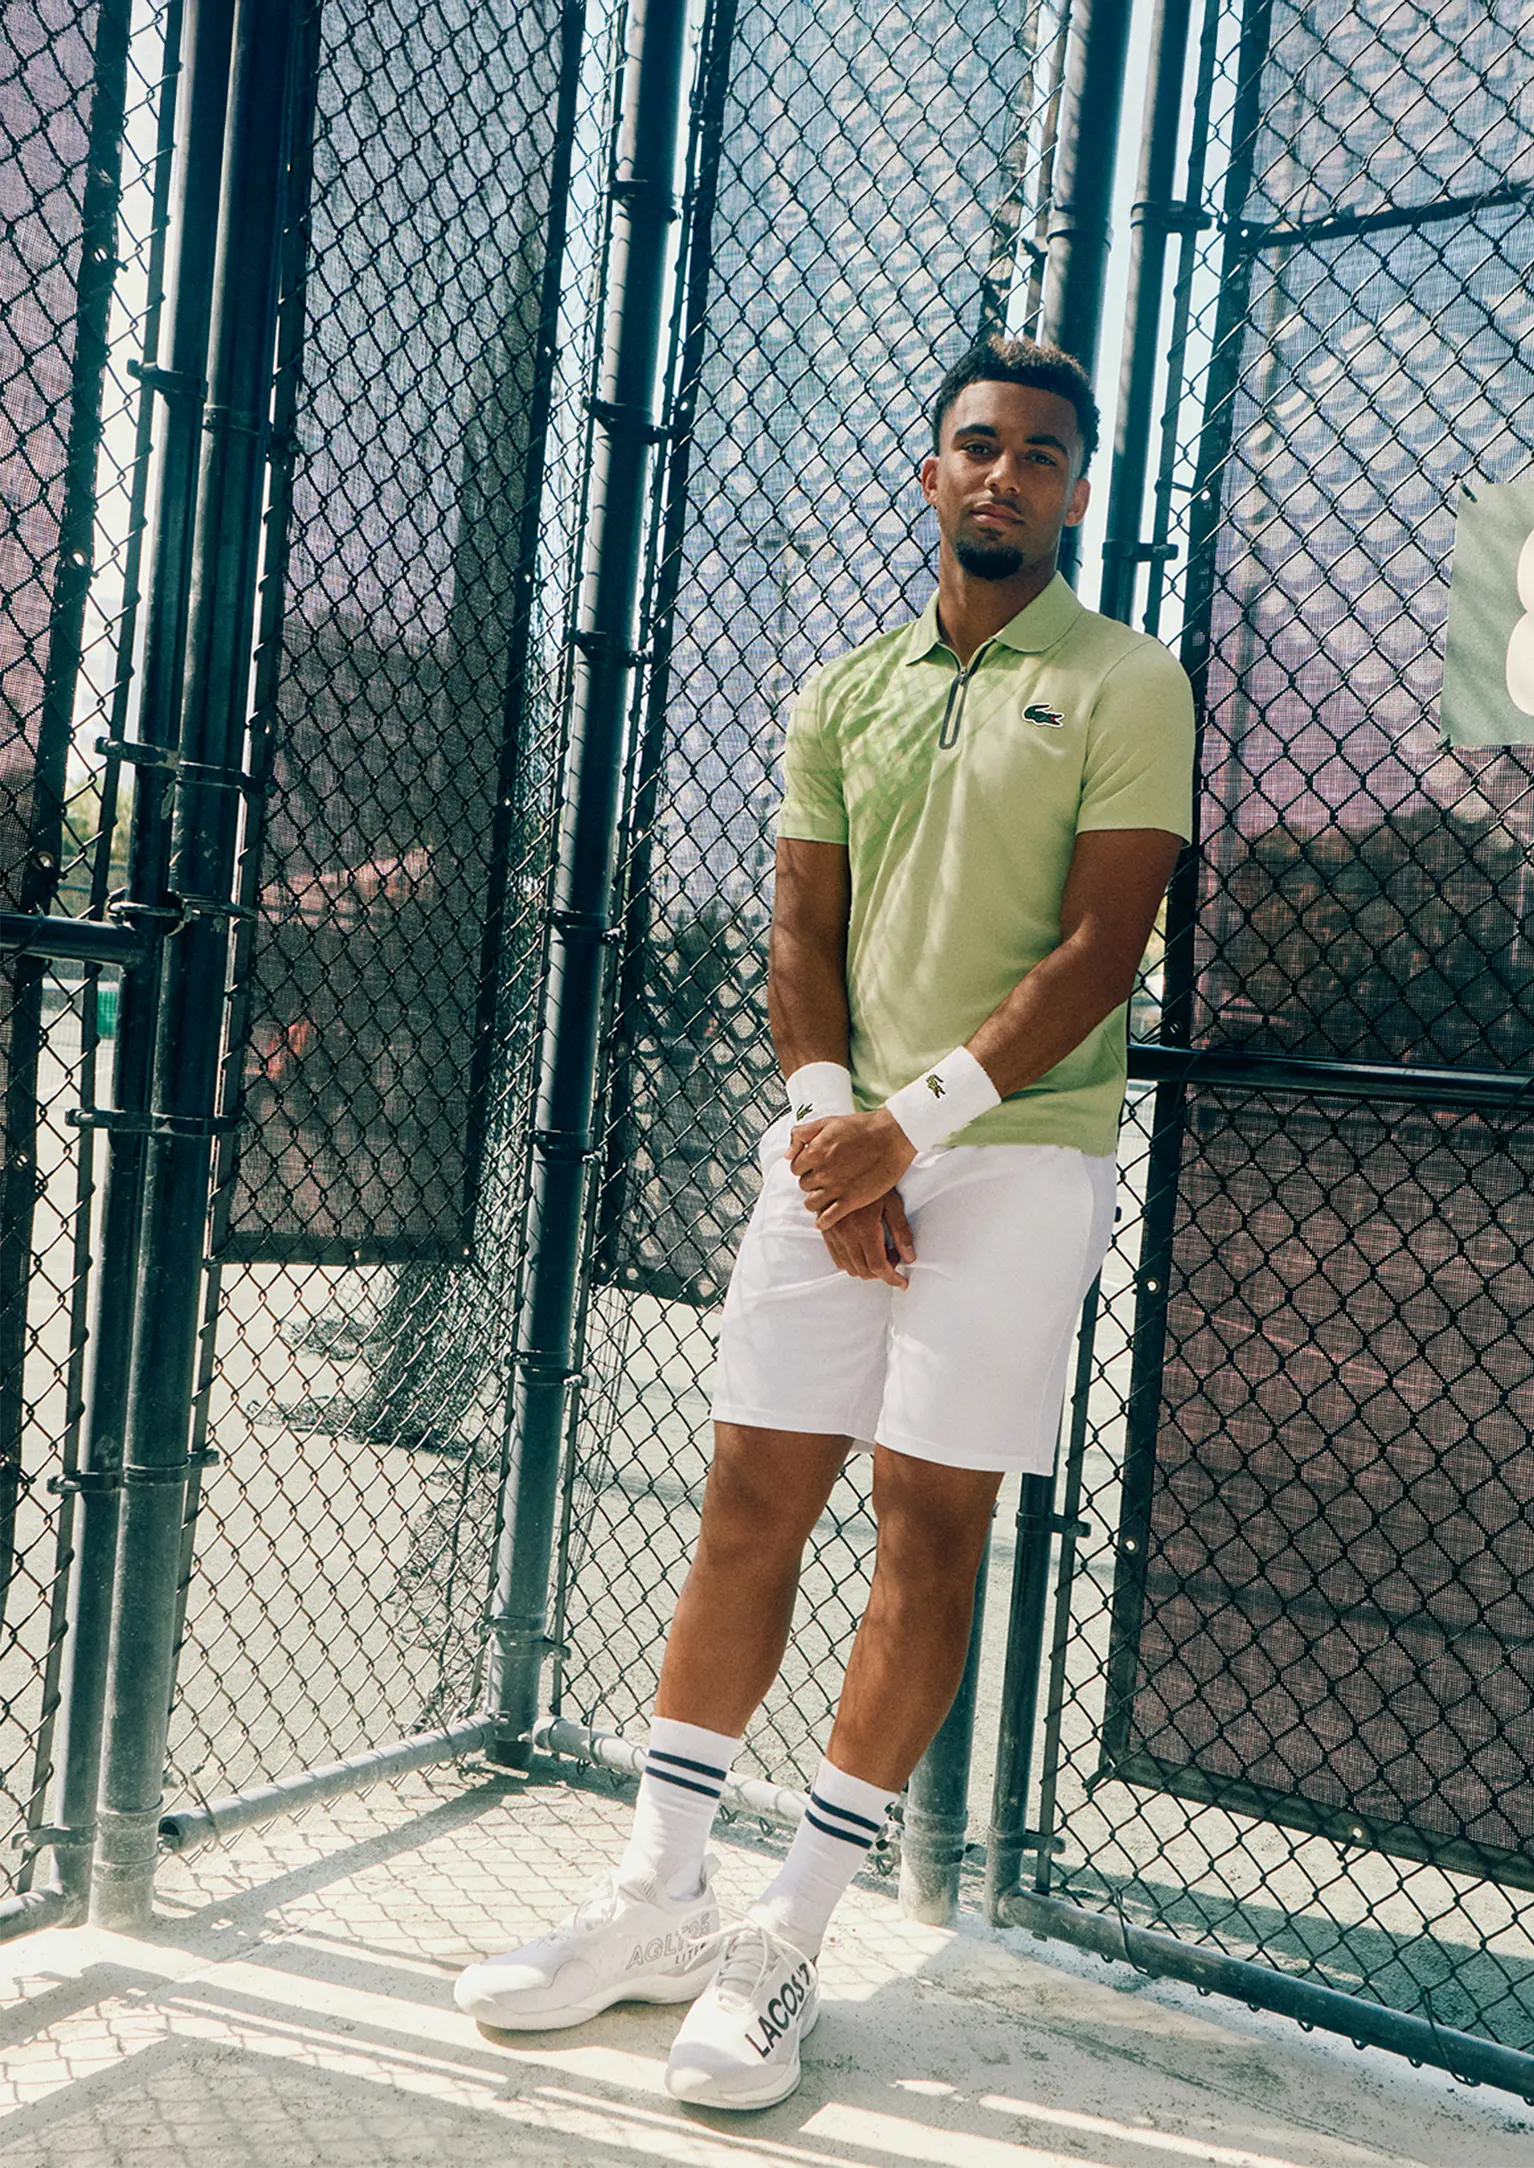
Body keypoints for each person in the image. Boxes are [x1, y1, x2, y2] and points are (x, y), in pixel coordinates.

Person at [455, 333, 1195, 2110]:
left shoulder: (1124, 678)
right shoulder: (843, 687)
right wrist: (825, 1134)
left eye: (1039, 452)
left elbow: (1102, 950)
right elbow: (801, 927)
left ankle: (784, 1942)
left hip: (1017, 1154)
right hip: (833, 1145)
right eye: (975, 446)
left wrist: (913, 1128)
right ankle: (653, 1904)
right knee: (745, 1508)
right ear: (928, 474)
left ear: (1078, 489)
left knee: (921, 1529)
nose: (1004, 473)